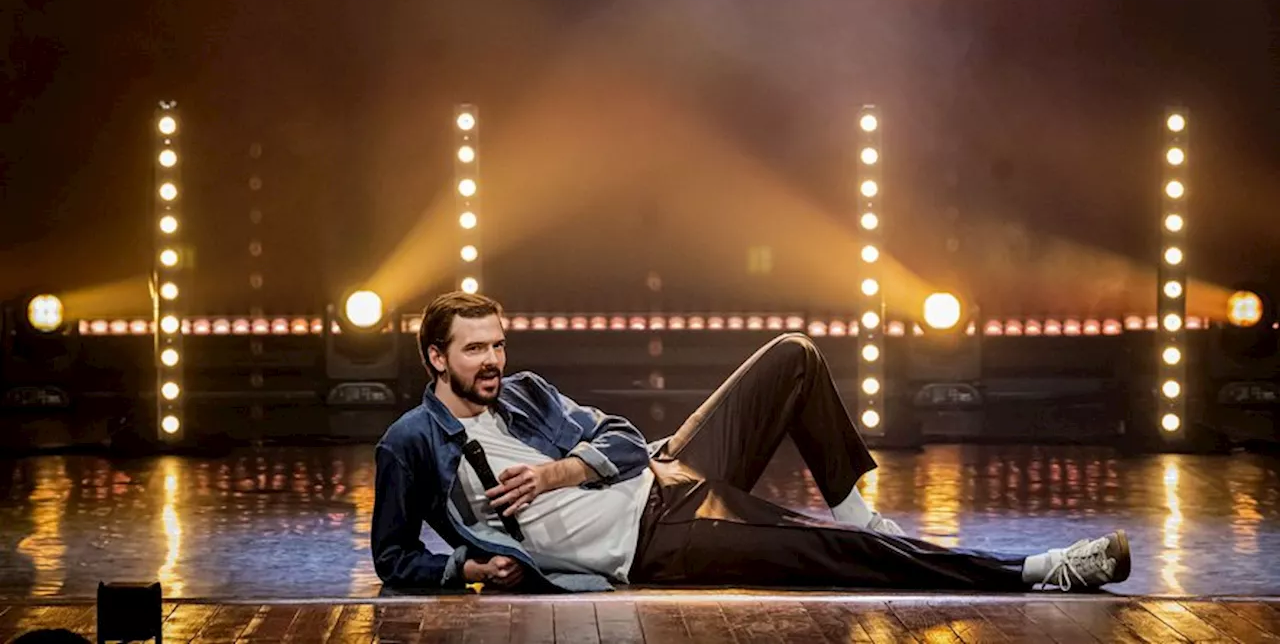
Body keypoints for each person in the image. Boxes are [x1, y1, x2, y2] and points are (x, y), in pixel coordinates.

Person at [371, 292, 1131, 593]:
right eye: (475, 350)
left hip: (667, 471)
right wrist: (468, 564)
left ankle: (857, 507)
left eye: (498, 344)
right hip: (655, 539)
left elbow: (627, 441)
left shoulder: (528, 391)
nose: (493, 361)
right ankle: (1039, 571)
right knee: (833, 555)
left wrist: (559, 471)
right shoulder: (411, 442)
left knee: (794, 356)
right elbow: (393, 555)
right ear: (437, 357)